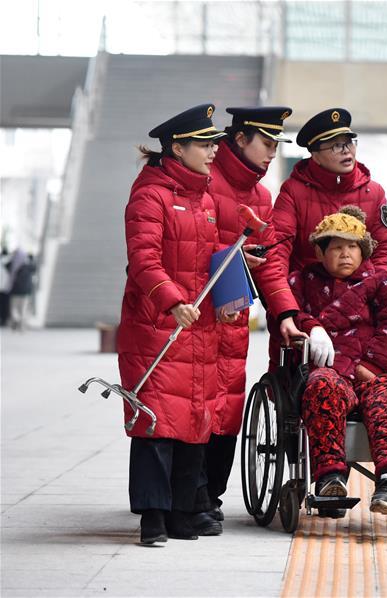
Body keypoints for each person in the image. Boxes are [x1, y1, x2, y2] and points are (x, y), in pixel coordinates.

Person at [118, 104, 235, 545]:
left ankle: (183, 513)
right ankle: (153, 516)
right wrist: (171, 302)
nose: (212, 153)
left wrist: (236, 275)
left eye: (213, 145)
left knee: (193, 421)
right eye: (205, 145)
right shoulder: (150, 194)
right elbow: (143, 259)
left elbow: (208, 258)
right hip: (157, 327)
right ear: (177, 147)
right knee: (156, 423)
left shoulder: (203, 197)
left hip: (198, 327)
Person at [202, 106, 302, 526]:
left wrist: (284, 313)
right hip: (192, 316)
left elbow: (271, 264)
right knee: (194, 407)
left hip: (233, 322)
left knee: (227, 407)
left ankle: (209, 496)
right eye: (266, 143)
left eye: (276, 144)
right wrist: (231, 258)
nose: (271, 153)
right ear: (240, 138)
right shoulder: (202, 177)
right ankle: (184, 496)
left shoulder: (261, 197)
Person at [288, 206, 387, 516]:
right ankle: (331, 477)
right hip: (332, 371)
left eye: (352, 247)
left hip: (379, 372)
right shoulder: (302, 282)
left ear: (364, 251)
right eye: (336, 247)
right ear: (319, 252)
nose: (345, 254)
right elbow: (291, 316)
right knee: (320, 387)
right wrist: (311, 328)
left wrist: (370, 366)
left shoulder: (382, 281)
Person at [267, 107, 387, 371]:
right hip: (308, 301)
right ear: (314, 153)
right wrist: (285, 307)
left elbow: (384, 249)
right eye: (335, 146)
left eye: (349, 142)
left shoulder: (373, 192)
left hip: (361, 303)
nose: (346, 151)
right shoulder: (293, 191)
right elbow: (278, 249)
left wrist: (374, 292)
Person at [8, 251, 34, 331]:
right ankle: (21, 326)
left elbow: (7, 267)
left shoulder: (13, 265)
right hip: (25, 292)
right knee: (23, 309)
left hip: (15, 291)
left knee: (14, 309)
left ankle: (16, 320)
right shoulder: (29, 266)